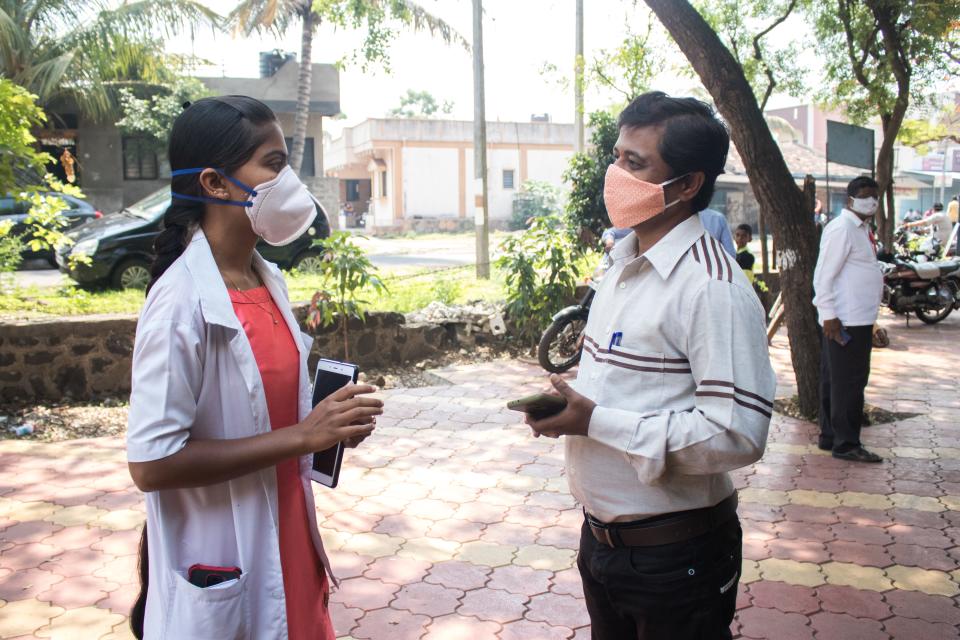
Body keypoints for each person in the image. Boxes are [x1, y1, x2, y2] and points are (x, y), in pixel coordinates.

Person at [125, 96, 384, 639]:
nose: (289, 179)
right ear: (217, 184)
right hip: (227, 557)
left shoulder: (266, 280)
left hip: (289, 544)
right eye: (273, 164)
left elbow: (270, 417)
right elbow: (152, 463)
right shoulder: (179, 302)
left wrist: (329, 427)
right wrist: (301, 436)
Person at [524, 92, 776, 640]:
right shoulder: (622, 263)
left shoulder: (711, 287)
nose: (616, 174)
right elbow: (629, 390)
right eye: (617, 157)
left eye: (635, 164)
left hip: (675, 558)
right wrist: (574, 405)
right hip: (603, 545)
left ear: (688, 184)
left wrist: (594, 421)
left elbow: (737, 433)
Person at [812, 176, 884, 463]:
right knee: (849, 382)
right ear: (850, 199)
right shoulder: (842, 229)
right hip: (845, 319)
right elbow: (823, 275)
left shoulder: (861, 229)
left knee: (835, 380)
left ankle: (831, 435)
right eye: (866, 195)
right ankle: (846, 443)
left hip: (856, 317)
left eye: (875, 196)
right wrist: (828, 315)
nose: (872, 201)